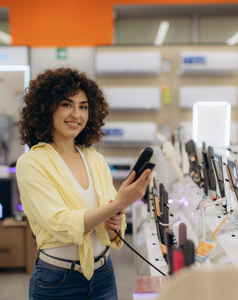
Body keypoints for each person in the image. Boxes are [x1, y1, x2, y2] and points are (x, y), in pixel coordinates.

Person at [16, 68, 153, 300]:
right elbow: (60, 224)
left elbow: (112, 232)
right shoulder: (31, 162)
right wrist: (117, 204)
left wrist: (114, 223)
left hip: (104, 275)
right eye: (67, 105)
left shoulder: (95, 159)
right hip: (57, 281)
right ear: (47, 108)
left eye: (83, 106)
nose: (76, 115)